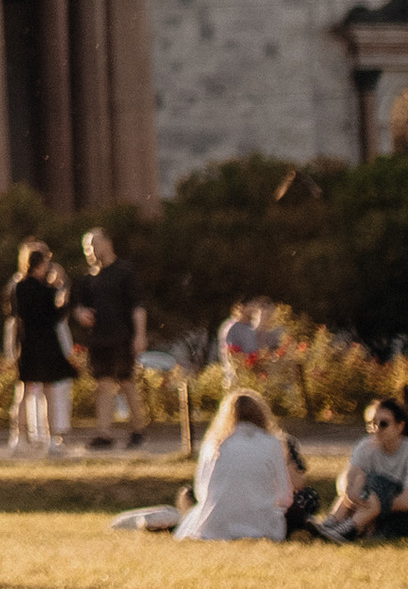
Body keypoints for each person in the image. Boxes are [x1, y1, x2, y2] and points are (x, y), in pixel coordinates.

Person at [174, 388, 292, 542]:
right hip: (260, 525)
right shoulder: (272, 443)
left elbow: (200, 490)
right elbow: (284, 494)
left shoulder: (213, 443)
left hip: (215, 524)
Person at [3, 239, 80, 452]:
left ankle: (17, 437)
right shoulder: (44, 291)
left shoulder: (17, 287)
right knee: (48, 392)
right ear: (39, 264)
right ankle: (51, 439)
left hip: (26, 346)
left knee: (24, 391)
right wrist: (62, 295)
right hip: (45, 346)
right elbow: (54, 316)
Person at [71, 227, 146, 445]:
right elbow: (77, 306)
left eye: (93, 244)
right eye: (86, 246)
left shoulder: (125, 271)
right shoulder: (87, 279)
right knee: (102, 385)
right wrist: (79, 313)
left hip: (122, 336)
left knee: (126, 382)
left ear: (107, 243)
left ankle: (138, 429)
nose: (89, 250)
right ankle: (105, 434)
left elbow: (138, 305)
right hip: (98, 339)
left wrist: (139, 334)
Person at [319, 396, 408, 542]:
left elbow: (406, 501)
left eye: (383, 424)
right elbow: (350, 476)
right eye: (373, 424)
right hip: (369, 507)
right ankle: (330, 524)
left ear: (400, 426)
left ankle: (348, 529)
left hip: (399, 513)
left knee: (376, 482)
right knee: (360, 486)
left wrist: (374, 506)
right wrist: (352, 495)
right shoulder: (366, 446)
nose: (377, 429)